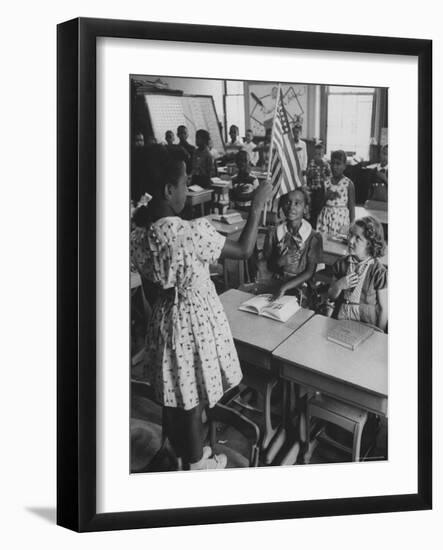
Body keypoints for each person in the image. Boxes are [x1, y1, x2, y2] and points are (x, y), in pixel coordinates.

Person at [130, 145, 272, 470]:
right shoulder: (192, 233)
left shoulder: (139, 234)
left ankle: (181, 450)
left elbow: (153, 287)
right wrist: (258, 206)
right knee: (191, 397)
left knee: (176, 393)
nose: (186, 187)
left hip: (164, 319)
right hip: (194, 323)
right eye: (184, 182)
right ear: (169, 189)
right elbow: (246, 248)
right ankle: (196, 464)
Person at [263, 188, 323, 305]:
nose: (291, 207)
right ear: (282, 206)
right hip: (276, 284)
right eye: (288, 202)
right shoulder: (274, 233)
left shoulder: (313, 237)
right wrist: (280, 261)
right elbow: (269, 266)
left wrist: (285, 287)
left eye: (297, 203)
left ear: (305, 209)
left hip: (301, 288)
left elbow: (309, 272)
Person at [327, 216, 387, 331]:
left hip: (366, 324)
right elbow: (331, 296)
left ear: (370, 244)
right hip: (340, 320)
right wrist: (339, 285)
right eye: (350, 234)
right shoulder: (341, 264)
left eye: (358, 238)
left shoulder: (378, 272)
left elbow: (384, 309)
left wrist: (380, 335)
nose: (350, 240)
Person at [316, 150, 355, 235]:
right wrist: (326, 196)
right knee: (323, 243)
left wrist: (352, 226)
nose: (334, 167)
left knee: (338, 244)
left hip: (341, 221)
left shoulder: (348, 184)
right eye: (332, 163)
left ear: (344, 166)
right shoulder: (325, 183)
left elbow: (352, 208)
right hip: (325, 219)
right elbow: (318, 206)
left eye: (338, 164)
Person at [305, 142, 331, 228]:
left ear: (323, 154)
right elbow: (308, 176)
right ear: (314, 154)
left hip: (321, 190)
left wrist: (325, 177)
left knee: (320, 208)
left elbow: (329, 176)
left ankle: (318, 225)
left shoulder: (326, 164)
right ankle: (311, 225)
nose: (318, 156)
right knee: (312, 208)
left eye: (320, 154)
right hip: (312, 190)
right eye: (316, 154)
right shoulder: (311, 164)